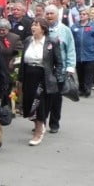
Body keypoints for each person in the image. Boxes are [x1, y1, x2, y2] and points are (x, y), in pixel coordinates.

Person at [18, 18, 64, 146]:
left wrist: (56, 78)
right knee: (29, 104)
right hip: (29, 75)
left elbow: (59, 62)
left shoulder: (52, 42)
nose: (33, 27)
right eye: (32, 25)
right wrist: (20, 79)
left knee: (39, 105)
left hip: (43, 76)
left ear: (43, 28)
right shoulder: (28, 40)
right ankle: (39, 124)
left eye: (36, 25)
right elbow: (22, 61)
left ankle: (38, 132)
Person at [44, 5, 76, 133]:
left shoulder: (65, 30)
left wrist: (70, 66)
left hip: (59, 69)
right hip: (45, 69)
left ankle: (54, 123)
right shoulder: (42, 29)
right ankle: (41, 122)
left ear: (57, 15)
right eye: (47, 14)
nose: (49, 16)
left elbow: (71, 49)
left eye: (52, 13)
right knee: (43, 98)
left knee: (56, 98)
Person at [71, 7, 94, 97]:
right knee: (80, 73)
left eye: (84, 14)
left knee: (89, 73)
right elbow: (71, 40)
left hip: (91, 54)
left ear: (88, 16)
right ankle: (81, 89)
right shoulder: (74, 26)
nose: (82, 16)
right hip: (78, 54)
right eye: (80, 14)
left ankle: (87, 89)